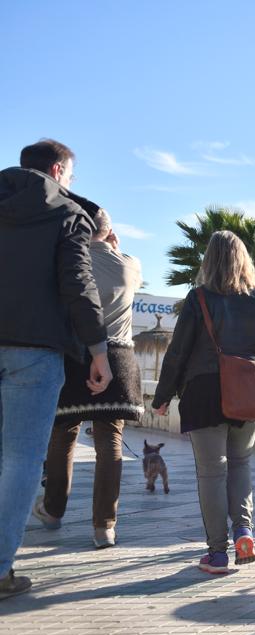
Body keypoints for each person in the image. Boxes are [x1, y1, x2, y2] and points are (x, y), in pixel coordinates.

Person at [0, 139, 111, 600]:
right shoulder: (68, 214)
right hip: (36, 350)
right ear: (60, 169)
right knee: (21, 460)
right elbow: (78, 285)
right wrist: (98, 350)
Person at [152, 231, 255, 574]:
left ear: (209, 260)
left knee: (212, 472)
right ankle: (244, 531)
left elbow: (178, 352)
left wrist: (162, 397)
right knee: (240, 464)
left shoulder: (198, 298)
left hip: (204, 391)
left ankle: (217, 553)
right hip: (250, 393)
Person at [33, 207, 144, 549]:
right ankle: (104, 527)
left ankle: (52, 510)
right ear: (110, 233)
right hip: (119, 358)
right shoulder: (130, 265)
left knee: (63, 434)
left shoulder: (69, 264)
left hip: (75, 357)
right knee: (109, 441)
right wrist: (114, 247)